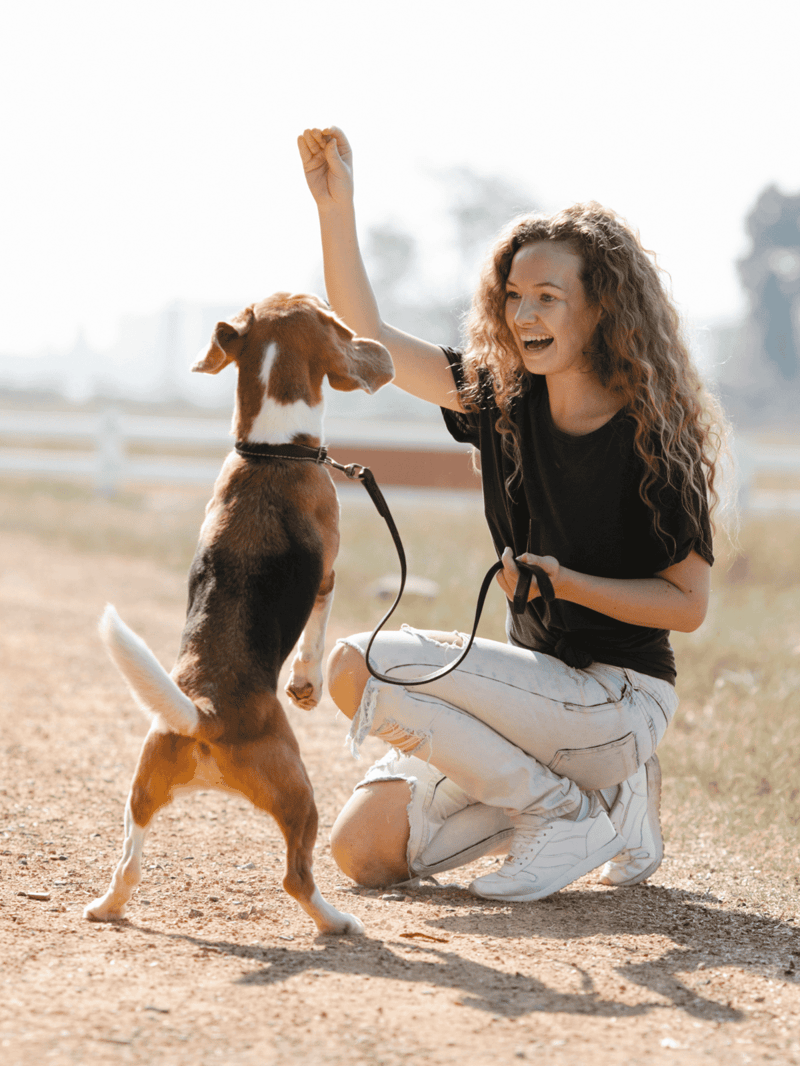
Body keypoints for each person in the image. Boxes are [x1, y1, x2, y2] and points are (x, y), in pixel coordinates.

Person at [297, 126, 725, 902]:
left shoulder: (655, 436)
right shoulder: (500, 399)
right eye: (514, 296)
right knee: (364, 853)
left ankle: (563, 810)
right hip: (535, 702)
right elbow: (372, 341)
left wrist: (569, 582)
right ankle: (609, 809)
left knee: (357, 664)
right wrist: (337, 209)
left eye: (549, 297)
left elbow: (688, 605)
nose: (525, 312)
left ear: (601, 310)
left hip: (617, 701)